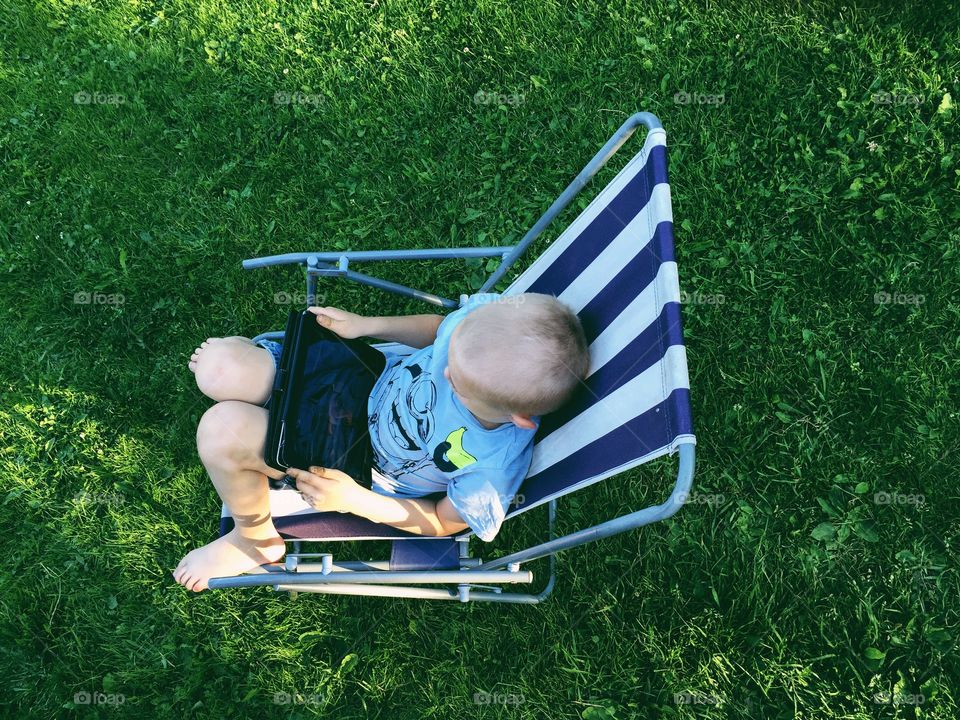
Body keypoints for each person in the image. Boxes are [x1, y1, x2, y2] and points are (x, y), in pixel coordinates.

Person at [173, 292, 589, 591]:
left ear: (519, 419)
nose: (444, 373)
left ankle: (255, 539)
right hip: (359, 376)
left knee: (220, 428)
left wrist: (355, 501)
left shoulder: (492, 465)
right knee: (217, 371)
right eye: (451, 360)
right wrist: (366, 326)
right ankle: (254, 384)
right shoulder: (486, 329)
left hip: (353, 461)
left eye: (457, 386)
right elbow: (439, 330)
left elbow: (445, 521)